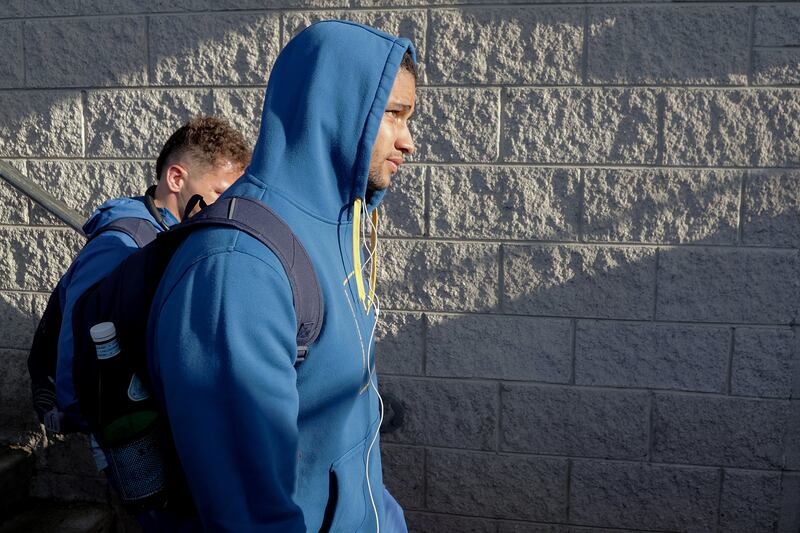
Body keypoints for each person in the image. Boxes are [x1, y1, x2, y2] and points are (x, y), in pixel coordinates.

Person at [147, 21, 417, 531]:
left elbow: (349, 437)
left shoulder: (336, 229)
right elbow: (248, 511)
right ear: (333, 107)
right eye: (393, 114)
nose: (408, 141)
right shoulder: (236, 268)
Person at [53, 116, 250, 470]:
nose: (227, 206)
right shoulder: (121, 244)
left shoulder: (179, 234)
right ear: (176, 178)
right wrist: (82, 414)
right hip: (124, 425)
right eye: (220, 192)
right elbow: (77, 333)